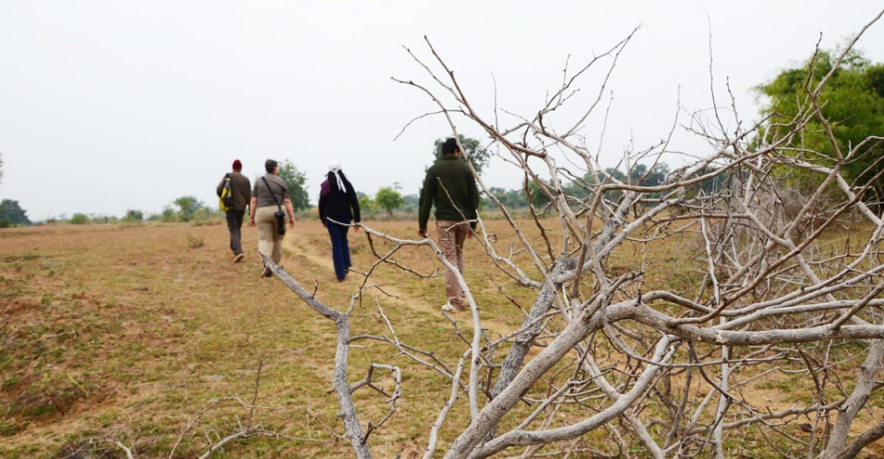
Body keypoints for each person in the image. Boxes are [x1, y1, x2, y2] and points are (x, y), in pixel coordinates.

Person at [418, 137, 480, 312]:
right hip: (464, 220)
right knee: (458, 255)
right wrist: (473, 224)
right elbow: (474, 199)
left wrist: (422, 224)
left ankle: (455, 302)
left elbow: (425, 200)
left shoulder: (434, 170)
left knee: (450, 259)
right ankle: (459, 297)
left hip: (445, 221)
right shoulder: (466, 169)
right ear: (456, 151)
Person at [249, 159, 295, 277]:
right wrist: (291, 217)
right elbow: (287, 201)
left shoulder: (259, 182)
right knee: (277, 240)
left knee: (264, 239)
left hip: (262, 212)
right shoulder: (281, 182)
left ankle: (267, 264)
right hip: (279, 212)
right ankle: (274, 265)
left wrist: (252, 216)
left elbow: (254, 201)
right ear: (275, 168)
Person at [318, 161, 361, 281]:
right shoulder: (347, 184)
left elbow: (321, 204)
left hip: (331, 219)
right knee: (343, 240)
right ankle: (346, 265)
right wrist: (357, 220)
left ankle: (340, 274)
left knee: (336, 244)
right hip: (345, 218)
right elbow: (354, 202)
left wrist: (322, 218)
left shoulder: (326, 185)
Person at [216, 159, 251, 263]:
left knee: (233, 229)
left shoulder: (228, 177)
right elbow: (249, 195)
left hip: (231, 207)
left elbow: (218, 189)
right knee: (237, 228)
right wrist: (250, 209)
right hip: (241, 208)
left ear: (233, 167)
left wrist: (223, 197)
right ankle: (236, 249)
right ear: (241, 168)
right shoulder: (245, 179)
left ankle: (237, 250)